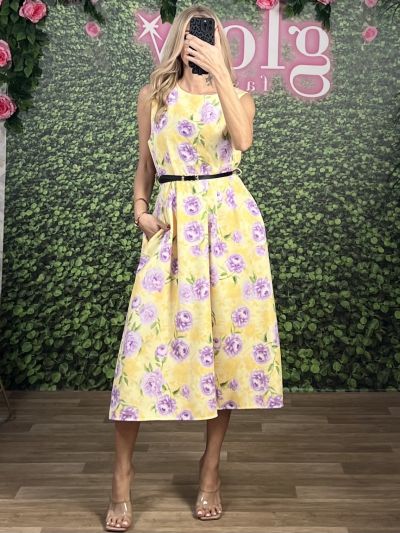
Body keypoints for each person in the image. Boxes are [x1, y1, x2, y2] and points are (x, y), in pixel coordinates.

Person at [105, 4, 284, 531]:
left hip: (230, 232)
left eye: (205, 35)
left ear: (218, 43)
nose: (196, 43)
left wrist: (221, 75)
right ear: (177, 41)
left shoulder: (240, 97)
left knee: (223, 348)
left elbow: (242, 141)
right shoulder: (153, 96)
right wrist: (141, 211)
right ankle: (121, 476)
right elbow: (145, 163)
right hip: (172, 228)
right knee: (141, 350)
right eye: (189, 34)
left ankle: (210, 470)